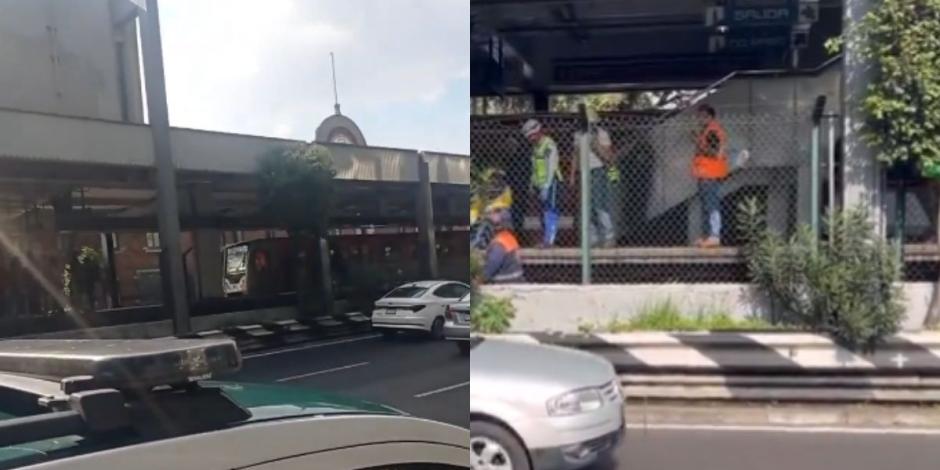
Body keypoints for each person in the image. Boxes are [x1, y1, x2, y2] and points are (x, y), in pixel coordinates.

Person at [571, 105, 617, 248]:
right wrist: (573, 174)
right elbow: (576, 155)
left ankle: (609, 236)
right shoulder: (578, 135)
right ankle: (593, 238)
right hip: (583, 171)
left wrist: (595, 143)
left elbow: (609, 156)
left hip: (598, 170)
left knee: (599, 205)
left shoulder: (601, 134)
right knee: (587, 207)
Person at [691, 104, 728, 248]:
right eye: (699, 116)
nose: (700, 119)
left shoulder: (712, 131)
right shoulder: (707, 131)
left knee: (712, 205)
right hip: (705, 174)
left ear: (711, 117)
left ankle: (714, 235)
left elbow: (716, 153)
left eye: (703, 116)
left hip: (710, 174)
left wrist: (698, 143)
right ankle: (708, 236)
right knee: (707, 205)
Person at [521, 119, 561, 248]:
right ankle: (546, 239)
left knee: (551, 210)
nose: (530, 139)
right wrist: (532, 183)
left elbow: (552, 165)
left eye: (531, 135)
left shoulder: (549, 144)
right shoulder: (535, 147)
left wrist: (546, 186)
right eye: (528, 137)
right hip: (539, 183)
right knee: (543, 212)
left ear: (538, 132)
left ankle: (550, 241)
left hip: (551, 182)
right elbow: (535, 166)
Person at [481, 207, 525, 284]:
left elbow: (491, 268)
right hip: (517, 279)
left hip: (504, 282)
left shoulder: (499, 244)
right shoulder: (509, 237)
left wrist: (477, 280)